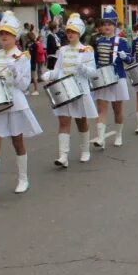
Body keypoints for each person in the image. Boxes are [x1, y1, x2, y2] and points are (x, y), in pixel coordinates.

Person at [0, 11, 42, 201]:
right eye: (1, 33)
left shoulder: (23, 57)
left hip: (14, 102)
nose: (4, 37)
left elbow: (23, 85)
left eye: (8, 34)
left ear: (15, 36)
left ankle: (23, 179)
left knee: (17, 141)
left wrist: (16, 72)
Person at [42, 14, 97, 167]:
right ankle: (63, 156)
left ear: (79, 33)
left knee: (81, 120)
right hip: (64, 89)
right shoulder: (63, 50)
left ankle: (85, 150)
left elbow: (93, 73)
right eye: (68, 31)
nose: (70, 34)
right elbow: (58, 70)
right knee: (64, 121)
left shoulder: (86, 50)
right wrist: (49, 74)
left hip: (80, 89)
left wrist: (83, 68)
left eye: (73, 31)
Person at [92, 5, 131, 150]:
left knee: (117, 109)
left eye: (109, 24)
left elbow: (130, 59)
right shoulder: (99, 41)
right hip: (103, 78)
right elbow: (96, 60)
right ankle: (101, 138)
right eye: (104, 24)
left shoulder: (121, 42)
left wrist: (124, 56)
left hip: (117, 78)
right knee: (101, 109)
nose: (106, 26)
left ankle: (118, 135)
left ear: (114, 26)